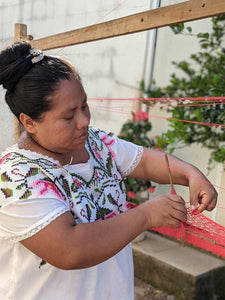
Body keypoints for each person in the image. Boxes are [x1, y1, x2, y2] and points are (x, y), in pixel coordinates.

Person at [0, 42, 217, 300]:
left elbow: (146, 161)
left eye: (84, 106)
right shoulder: (15, 176)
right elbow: (69, 250)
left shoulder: (95, 143)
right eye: (68, 116)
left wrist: (191, 174)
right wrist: (146, 216)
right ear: (29, 122)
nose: (84, 121)